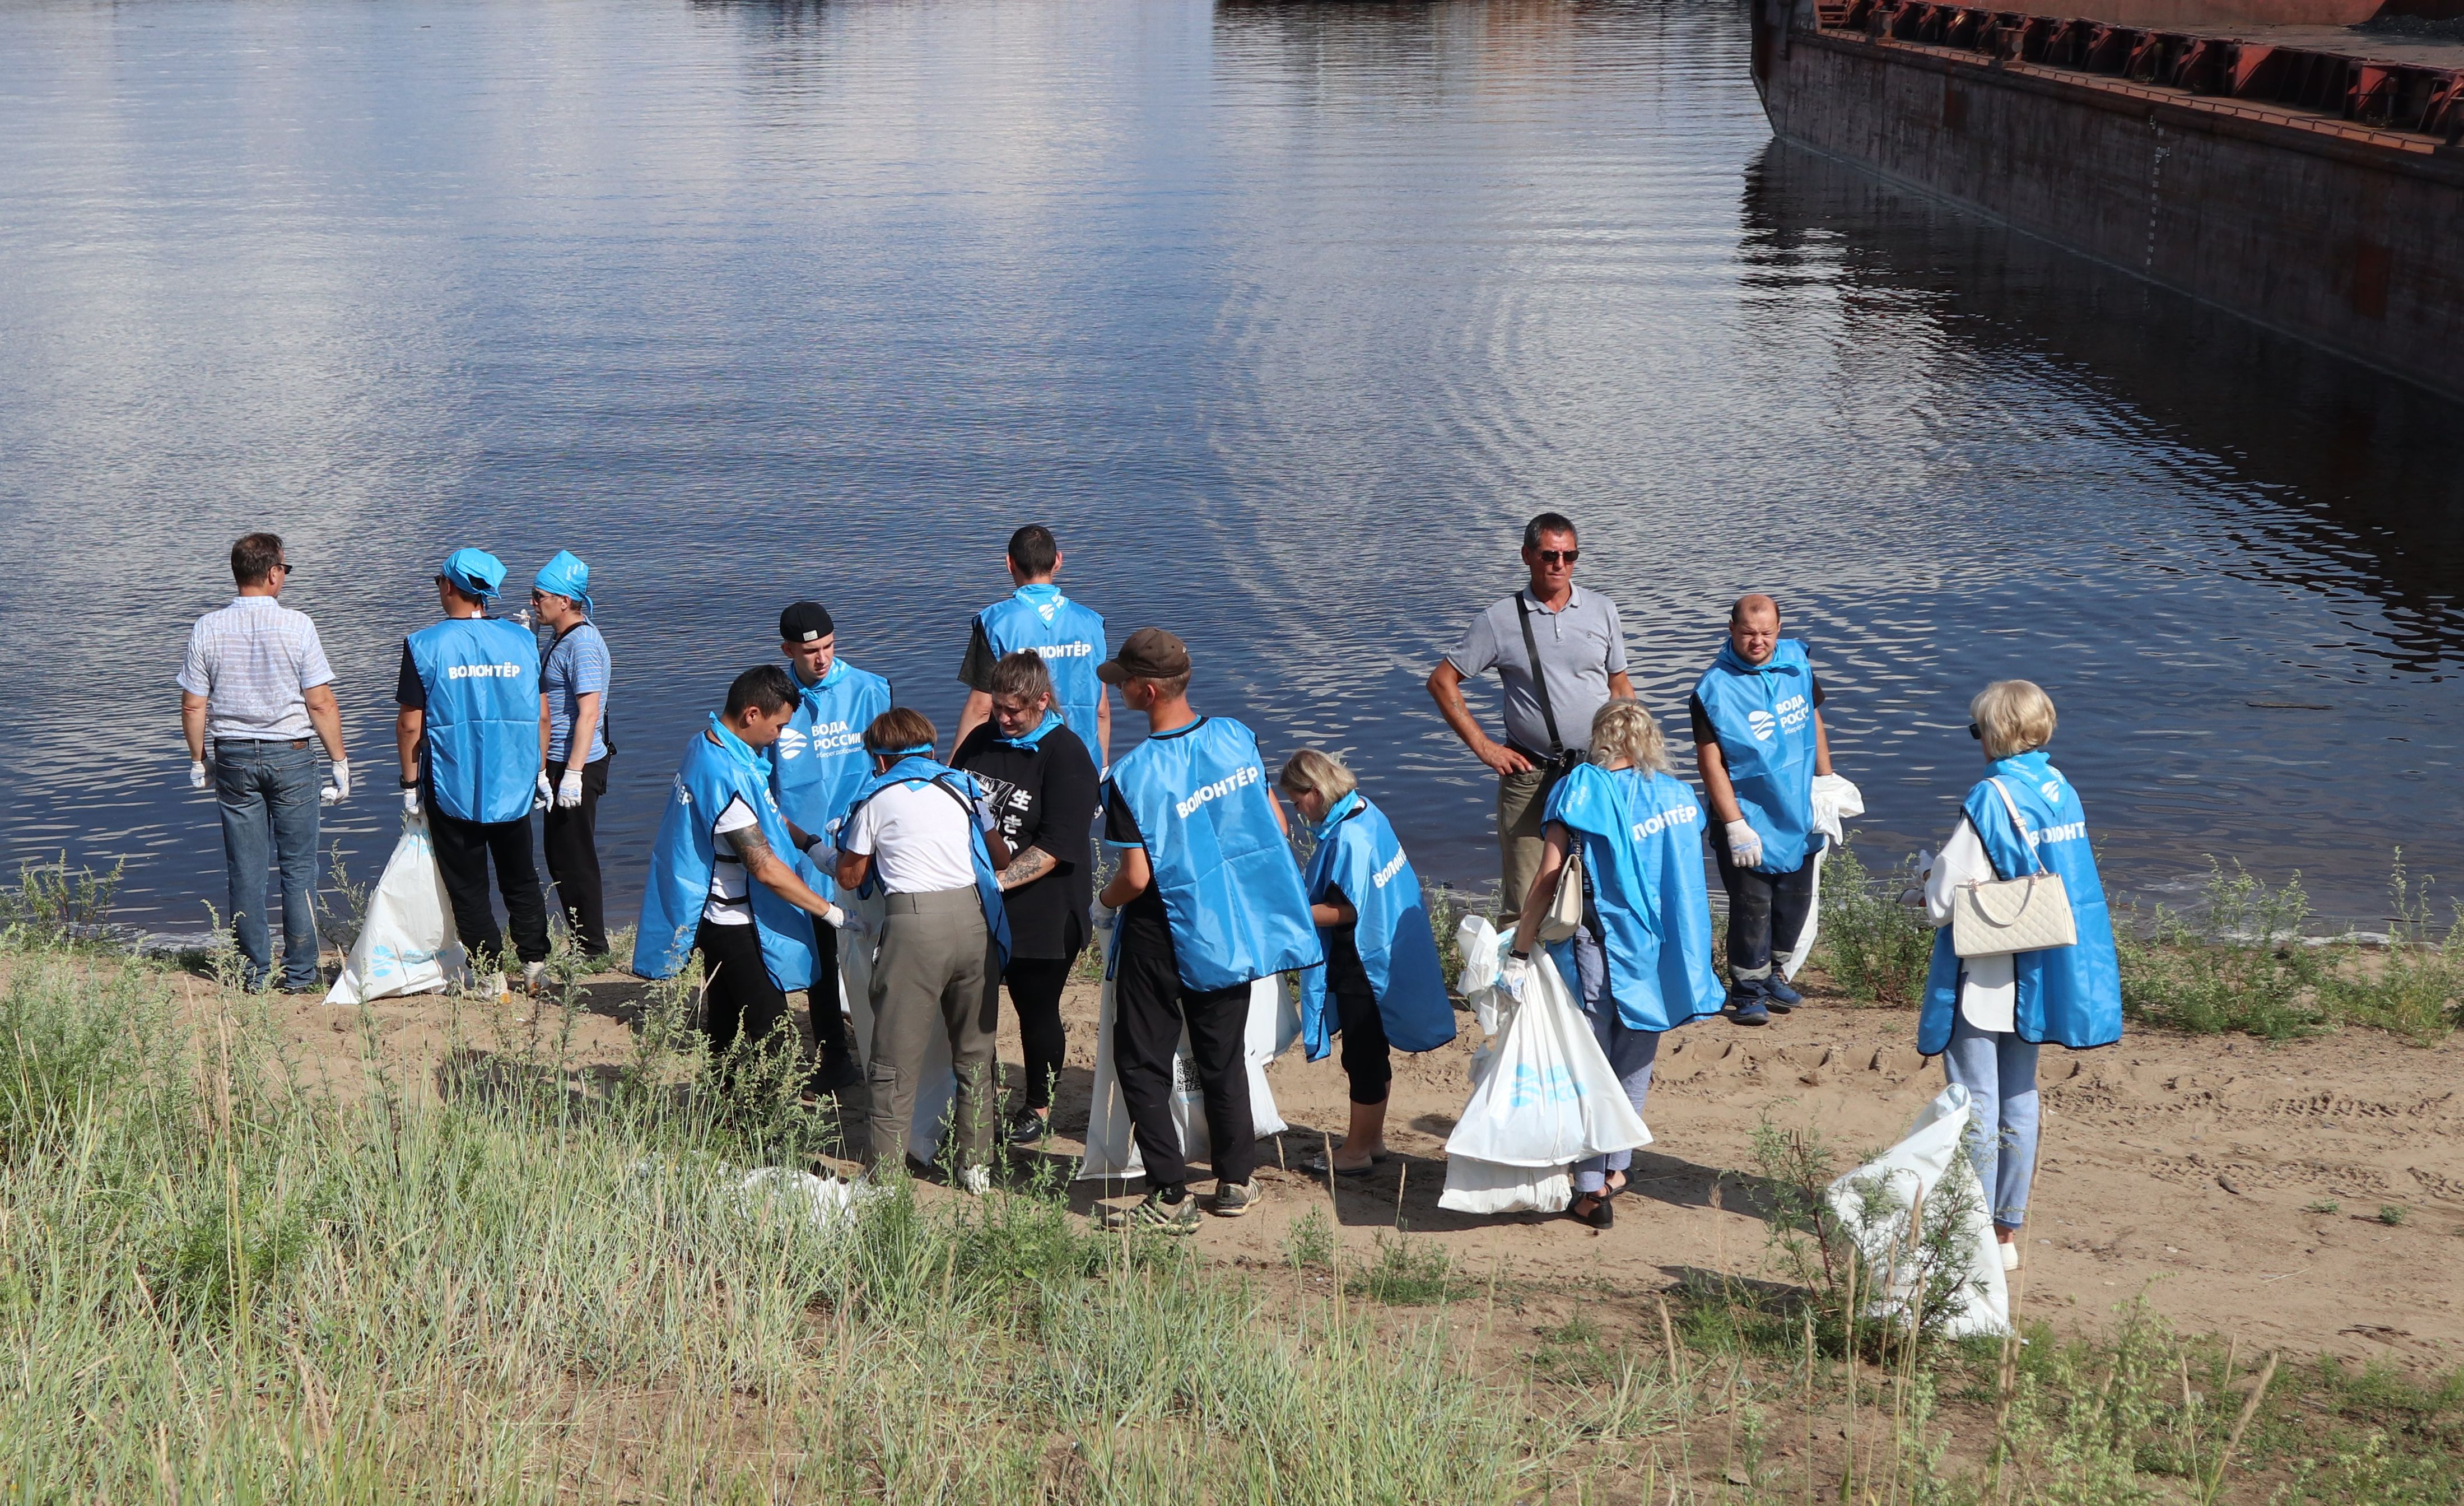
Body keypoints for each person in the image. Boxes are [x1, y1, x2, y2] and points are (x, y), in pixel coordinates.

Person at [1095, 628, 1322, 1229]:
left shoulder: (1130, 775)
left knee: (1141, 1060)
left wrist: (1101, 900)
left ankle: (1169, 1195)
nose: (1118, 693)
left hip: (1160, 931)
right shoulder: (1237, 738)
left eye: (1122, 685)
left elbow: (1136, 878)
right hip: (1228, 926)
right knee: (1221, 1056)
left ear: (1146, 691)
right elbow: (1272, 827)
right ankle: (1235, 1181)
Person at [1917, 680, 2121, 1269]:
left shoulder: (1991, 795)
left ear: (1995, 732)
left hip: (1987, 970)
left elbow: (1943, 900)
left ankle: (1972, 1225)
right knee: (2020, 1096)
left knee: (1974, 1099)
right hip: (2043, 964)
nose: (1976, 738)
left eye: (1977, 727)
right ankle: (2006, 1229)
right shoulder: (2061, 789)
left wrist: (1928, 873)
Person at [1505, 699, 1725, 1229]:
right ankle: (1616, 1170)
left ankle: (1588, 1190)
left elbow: (1548, 878)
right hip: (1661, 952)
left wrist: (1519, 946)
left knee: (1589, 1067)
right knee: (1633, 1063)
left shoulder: (1580, 789)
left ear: (1601, 739)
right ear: (1649, 740)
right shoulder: (1678, 797)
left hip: (1597, 950)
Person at [632, 666, 853, 1086]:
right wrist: (830, 913)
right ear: (752, 714)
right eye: (779, 726)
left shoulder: (708, 745)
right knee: (772, 1039)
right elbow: (766, 869)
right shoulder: (725, 775)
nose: (780, 736)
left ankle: (726, 1116)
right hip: (733, 924)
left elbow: (763, 814)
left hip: (714, 919)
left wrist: (811, 845)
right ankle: (767, 1135)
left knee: (725, 1025)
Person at [835, 708, 1013, 1192]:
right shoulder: (964, 787)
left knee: (893, 1057)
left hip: (913, 926)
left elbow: (850, 876)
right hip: (975, 922)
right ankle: (976, 1166)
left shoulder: (875, 796)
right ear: (929, 749)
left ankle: (886, 1175)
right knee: (975, 1051)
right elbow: (1000, 857)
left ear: (882, 759)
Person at [1427, 512, 1633, 921]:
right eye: (1549, 555)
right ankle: (1516, 978)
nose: (1559, 564)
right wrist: (1486, 749)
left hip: (1597, 770)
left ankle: (1585, 978)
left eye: (1569, 555)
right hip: (1530, 774)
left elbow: (1620, 686)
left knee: (1602, 882)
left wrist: (1632, 752)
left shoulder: (1601, 609)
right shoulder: (1498, 620)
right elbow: (1441, 681)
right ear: (1527, 556)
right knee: (1525, 894)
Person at [178, 532, 349, 992]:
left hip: (232, 755)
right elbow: (320, 702)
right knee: (298, 868)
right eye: (285, 570)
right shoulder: (298, 626)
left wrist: (199, 761)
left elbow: (194, 705)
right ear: (273, 573)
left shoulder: (207, 627)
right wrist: (340, 761)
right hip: (291, 755)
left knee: (246, 869)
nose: (285, 578)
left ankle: (253, 974)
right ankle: (300, 975)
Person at [1279, 749, 1457, 1178]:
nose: (1296, 810)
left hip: (1363, 958)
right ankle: (1373, 1141)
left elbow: (1345, 911)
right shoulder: (1365, 811)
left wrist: (1286, 915)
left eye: (1296, 800)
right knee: (1373, 1051)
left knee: (1361, 1056)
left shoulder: (1346, 839)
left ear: (1316, 792)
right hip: (1392, 946)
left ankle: (1356, 1152)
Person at [952, 651, 1101, 1145]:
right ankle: (979, 1101)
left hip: (1045, 911)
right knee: (973, 1008)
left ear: (1041, 701)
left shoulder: (1067, 756)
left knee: (1035, 1010)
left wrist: (996, 881)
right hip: (980, 905)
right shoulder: (981, 739)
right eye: (997, 707)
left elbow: (1057, 847)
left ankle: (1038, 1104)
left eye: (1014, 710)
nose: (1003, 718)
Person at [395, 549, 551, 997]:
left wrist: (409, 784)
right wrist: (539, 770)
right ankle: (534, 966)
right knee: (520, 876)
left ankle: (489, 978)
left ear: (449, 586)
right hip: (513, 782)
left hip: (452, 782)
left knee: (468, 885)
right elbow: (542, 716)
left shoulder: (424, 644)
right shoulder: (522, 640)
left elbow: (411, 723)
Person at [1690, 594, 1833, 1026]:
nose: (1758, 642)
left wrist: (1827, 782)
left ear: (1779, 628)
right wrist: (1733, 823)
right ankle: (1746, 990)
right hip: (1747, 814)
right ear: (1731, 630)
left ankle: (1774, 974)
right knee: (1752, 905)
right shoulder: (1712, 689)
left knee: (1794, 901)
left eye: (1767, 633)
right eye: (1749, 633)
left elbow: (1813, 720)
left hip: (1797, 805)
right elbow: (1709, 760)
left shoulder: (1796, 664)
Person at [768, 601, 891, 1091]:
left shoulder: (869, 689)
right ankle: (833, 1056)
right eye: (809, 651)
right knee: (819, 954)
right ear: (788, 651)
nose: (820, 659)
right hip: (801, 849)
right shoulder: (774, 696)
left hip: (861, 845)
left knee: (877, 949)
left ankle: (884, 1047)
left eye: (828, 648)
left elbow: (894, 761)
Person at [952, 524, 1110, 764]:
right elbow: (1101, 710)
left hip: (1019, 763)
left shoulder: (994, 622)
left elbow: (981, 708)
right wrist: (1102, 768)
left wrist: (954, 770)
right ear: (1058, 561)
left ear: (1009, 563)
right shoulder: (1091, 623)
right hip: (1083, 760)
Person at [533, 550, 613, 959]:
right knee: (560, 856)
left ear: (564, 601)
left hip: (577, 761)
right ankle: (585, 941)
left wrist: (573, 775)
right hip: (562, 760)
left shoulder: (581, 643)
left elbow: (588, 713)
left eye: (539, 596)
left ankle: (593, 947)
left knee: (573, 856)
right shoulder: (561, 637)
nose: (533, 602)